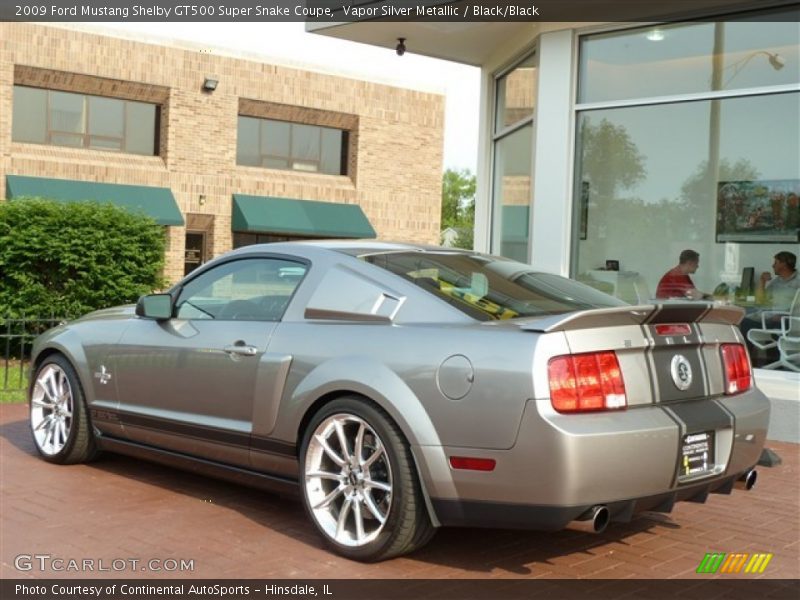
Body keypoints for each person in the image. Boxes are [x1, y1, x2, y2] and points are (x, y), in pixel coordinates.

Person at [740, 251, 799, 366]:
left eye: (776, 262)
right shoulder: (777, 281)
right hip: (770, 317)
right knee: (745, 322)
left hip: (789, 321)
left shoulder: (798, 281)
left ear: (784, 264)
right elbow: (760, 301)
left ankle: (777, 362)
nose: (773, 265)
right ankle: (747, 362)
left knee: (777, 325)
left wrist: (787, 315)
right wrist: (762, 281)